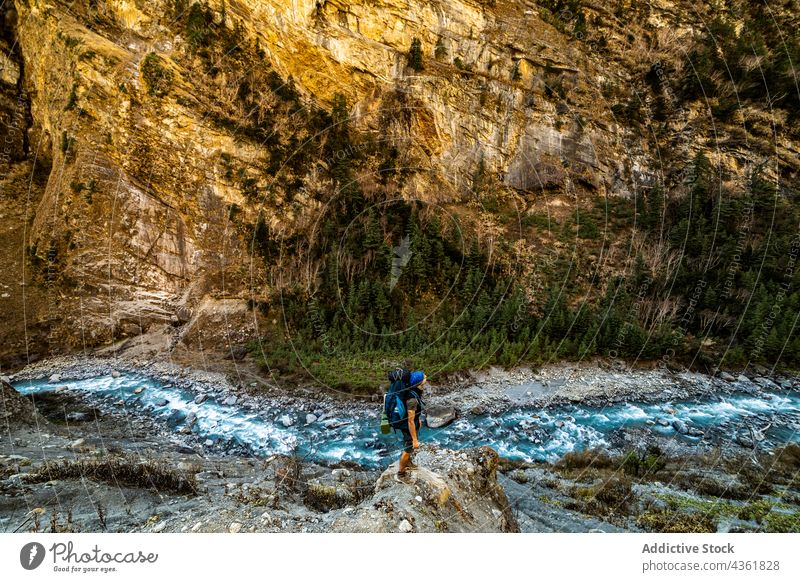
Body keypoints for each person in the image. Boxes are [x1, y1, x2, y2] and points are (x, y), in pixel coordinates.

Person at [397, 371, 426, 480]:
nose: (426, 377)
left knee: (408, 446)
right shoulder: (412, 399)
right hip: (407, 425)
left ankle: (408, 463)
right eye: (424, 377)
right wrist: (414, 439)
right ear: (419, 382)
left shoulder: (415, 390)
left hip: (412, 422)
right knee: (408, 449)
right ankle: (401, 473)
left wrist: (418, 420)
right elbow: (410, 421)